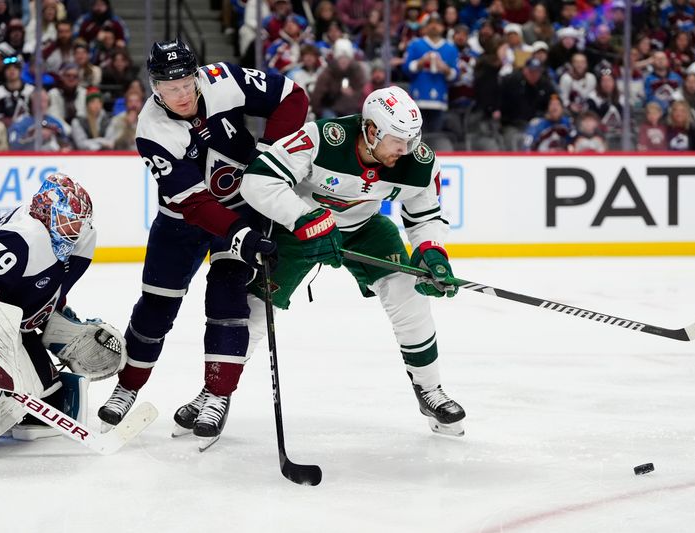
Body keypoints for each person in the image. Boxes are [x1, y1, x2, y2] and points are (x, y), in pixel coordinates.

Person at [96, 38, 308, 447]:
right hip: (182, 221)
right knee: (155, 307)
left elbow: (291, 97)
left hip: (244, 208)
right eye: (167, 86)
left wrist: (268, 160)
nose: (179, 94)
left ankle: (217, 394)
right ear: (154, 86)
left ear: (197, 75)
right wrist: (241, 235)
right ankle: (128, 386)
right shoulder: (152, 129)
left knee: (228, 299)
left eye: (184, 83)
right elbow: (194, 203)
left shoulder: (223, 79)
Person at [230, 86, 466, 437]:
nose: (406, 150)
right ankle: (216, 395)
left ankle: (429, 389)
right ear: (370, 131)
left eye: (412, 139)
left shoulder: (418, 162)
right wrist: (303, 218)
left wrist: (431, 250)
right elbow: (258, 180)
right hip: (303, 229)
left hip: (364, 228)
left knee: (408, 292)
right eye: (397, 140)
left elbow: (424, 216)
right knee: (254, 308)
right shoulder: (322, 139)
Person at [0, 173, 107, 469]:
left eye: (80, 220)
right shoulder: (22, 238)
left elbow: (39, 290)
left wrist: (60, 318)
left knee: (47, 391)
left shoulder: (73, 242)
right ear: (46, 213)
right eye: (69, 219)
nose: (77, 228)